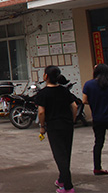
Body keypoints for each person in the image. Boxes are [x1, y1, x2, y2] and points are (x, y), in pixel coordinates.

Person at [36, 65, 78, 193]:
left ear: (46, 76)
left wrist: (42, 127)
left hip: (54, 127)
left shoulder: (43, 93)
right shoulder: (64, 91)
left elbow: (41, 112)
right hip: (67, 125)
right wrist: (72, 120)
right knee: (66, 152)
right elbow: (75, 106)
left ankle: (68, 187)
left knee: (59, 156)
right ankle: (61, 179)